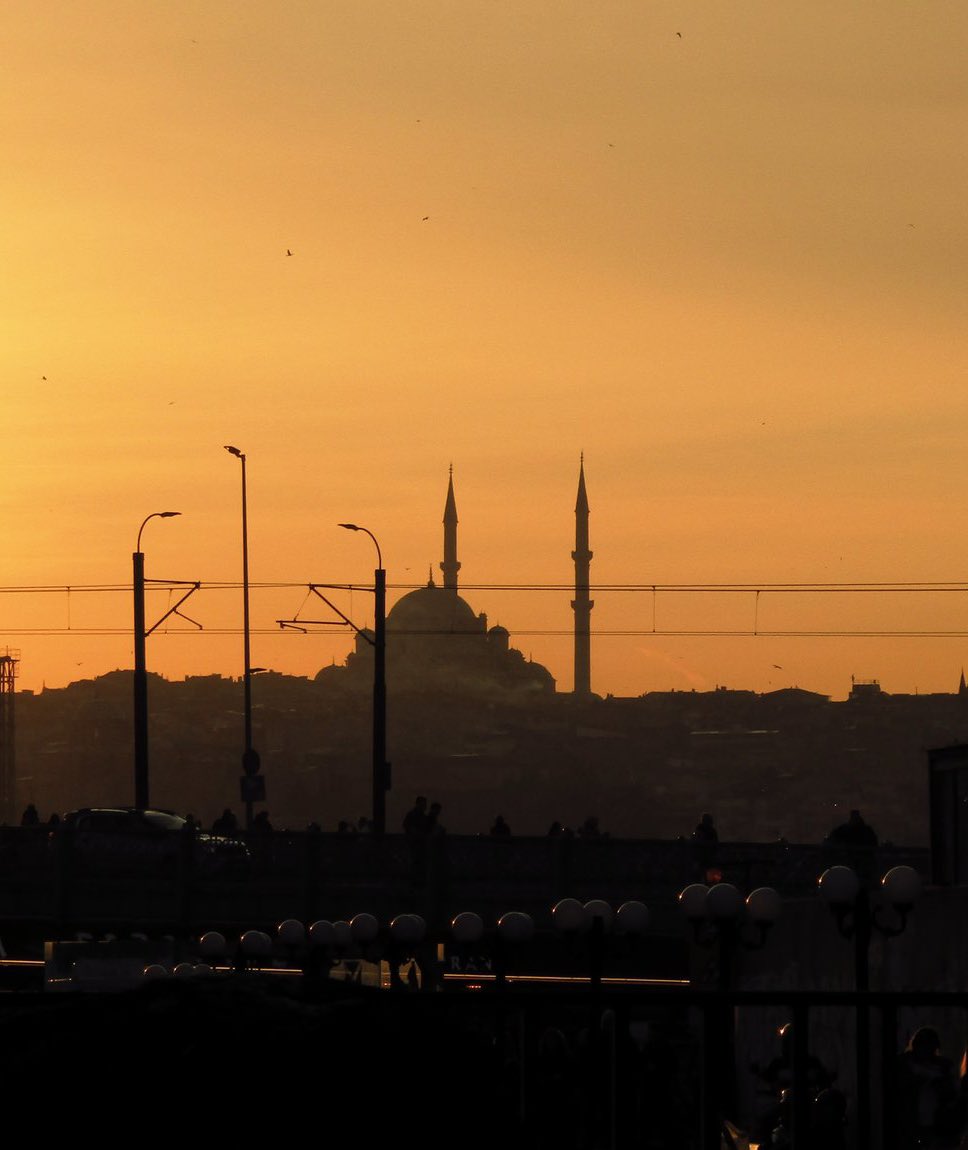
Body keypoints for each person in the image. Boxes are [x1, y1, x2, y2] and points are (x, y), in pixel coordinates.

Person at [897, 1027, 961, 1149]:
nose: (925, 1051)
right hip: (912, 1124)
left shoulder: (944, 1066)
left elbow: (951, 1094)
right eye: (923, 1046)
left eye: (928, 1047)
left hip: (934, 1124)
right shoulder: (905, 1063)